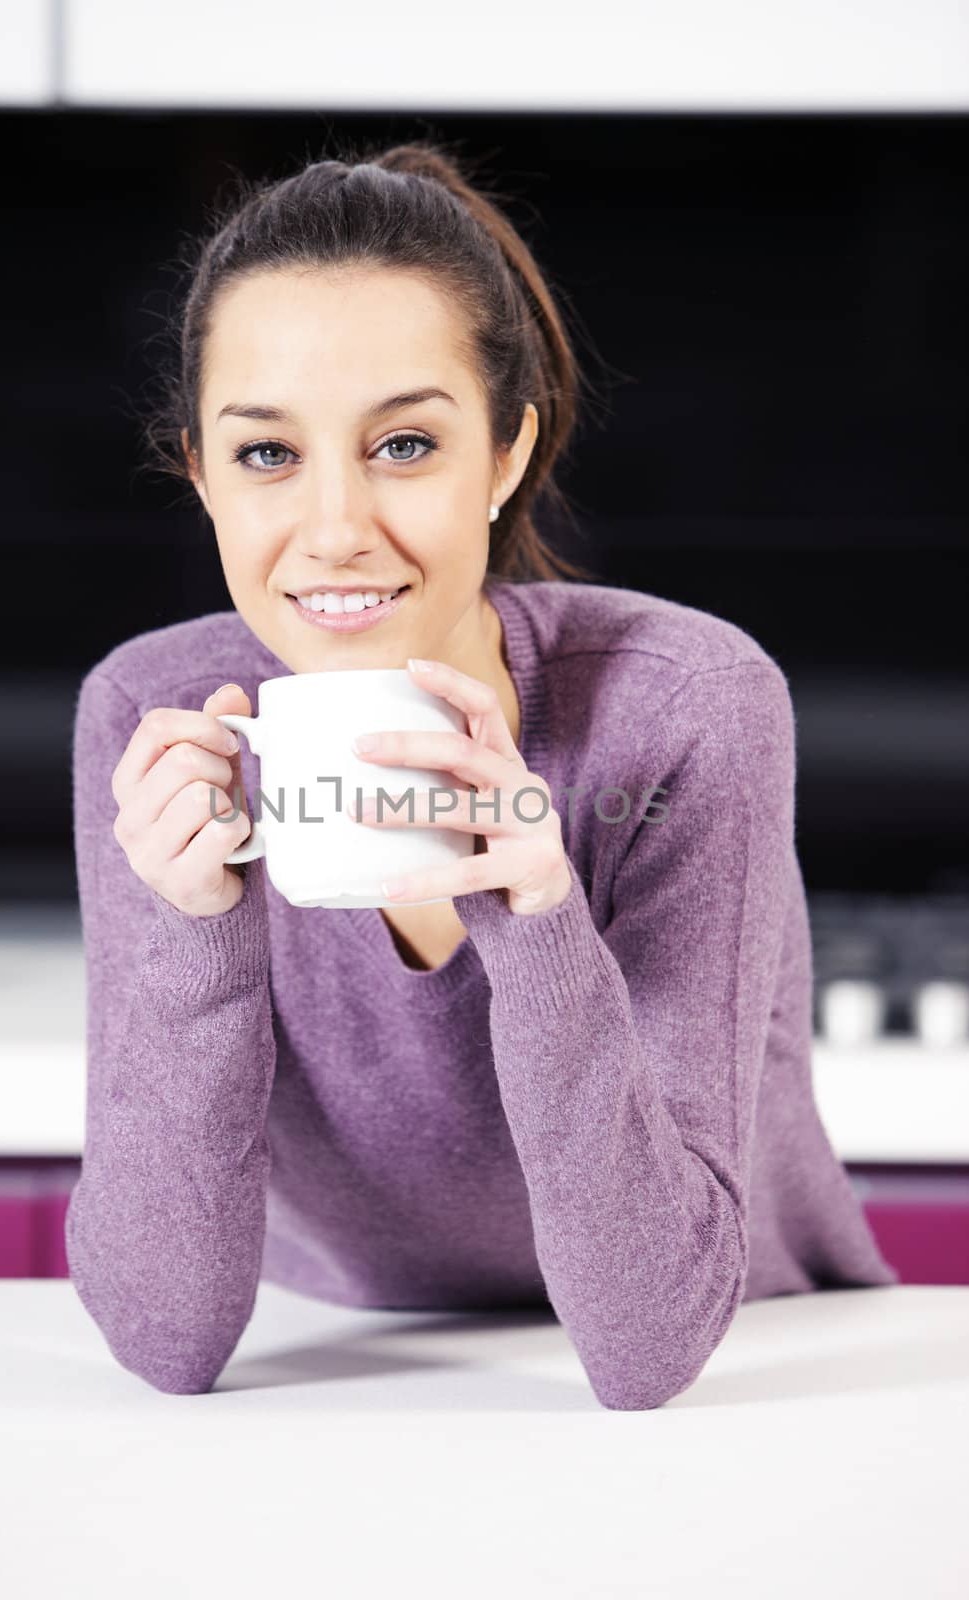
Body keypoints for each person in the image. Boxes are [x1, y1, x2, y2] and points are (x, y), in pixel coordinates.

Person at [65, 138, 899, 1410]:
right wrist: (195, 933)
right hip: (349, 1370)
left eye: (404, 446)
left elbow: (645, 1346)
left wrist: (536, 921)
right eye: (266, 454)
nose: (336, 528)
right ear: (198, 470)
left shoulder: (685, 708)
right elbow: (163, 1337)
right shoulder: (151, 715)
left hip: (759, 1385)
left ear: (504, 452)